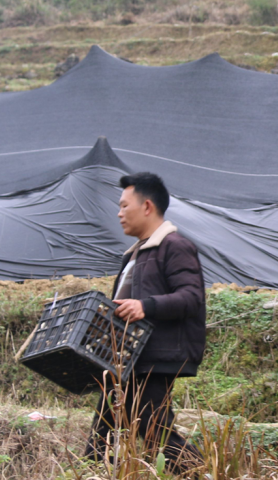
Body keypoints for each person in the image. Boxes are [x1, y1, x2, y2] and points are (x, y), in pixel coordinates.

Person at [86, 172, 205, 474]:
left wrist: (145, 306)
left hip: (154, 358)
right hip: (128, 359)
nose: (119, 212)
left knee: (157, 436)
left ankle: (206, 473)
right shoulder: (135, 255)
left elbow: (191, 297)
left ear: (147, 206)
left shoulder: (174, 246)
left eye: (125, 205)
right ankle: (89, 470)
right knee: (103, 431)